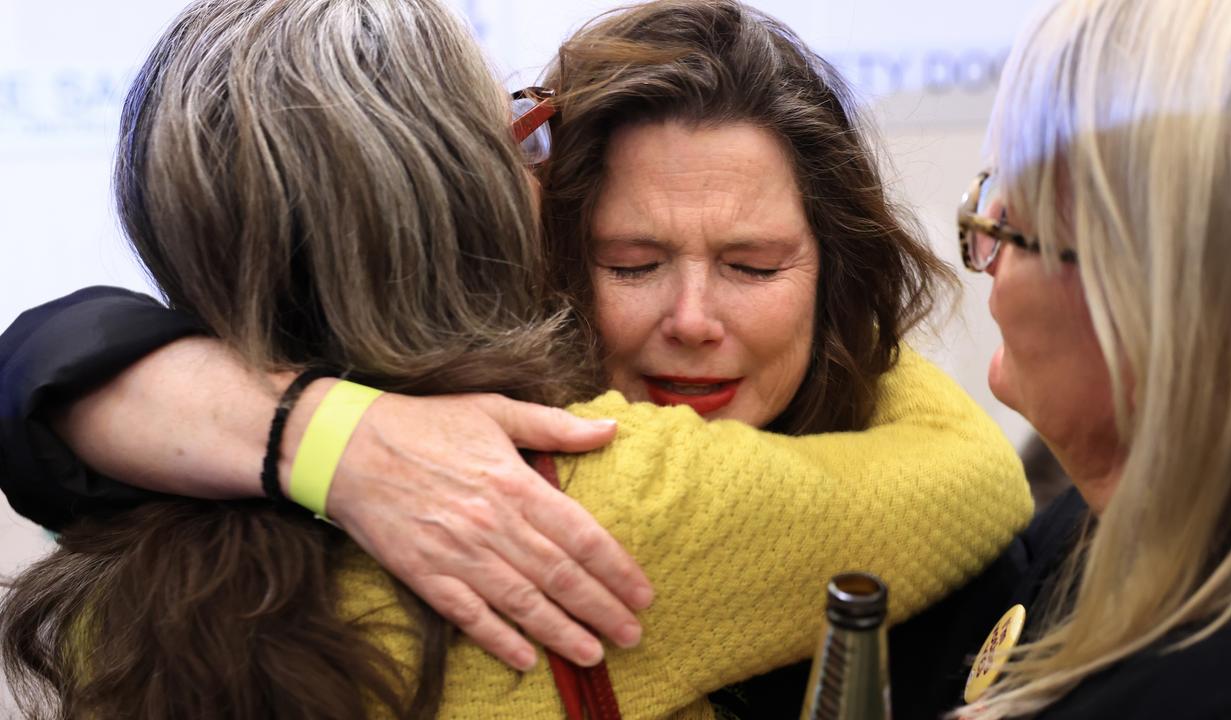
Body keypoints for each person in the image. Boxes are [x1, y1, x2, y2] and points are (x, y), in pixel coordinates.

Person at [0, 1, 1030, 718]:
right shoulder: (605, 489)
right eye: (627, 260)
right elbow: (973, 474)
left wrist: (301, 430)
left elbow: (45, 369)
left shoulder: (117, 512)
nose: (692, 316)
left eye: (753, 264)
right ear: (465, 216)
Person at [891, 0, 1231, 717]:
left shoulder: (1224, 688)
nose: (986, 265)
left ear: (1148, 295)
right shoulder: (1091, 526)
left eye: (1008, 228)